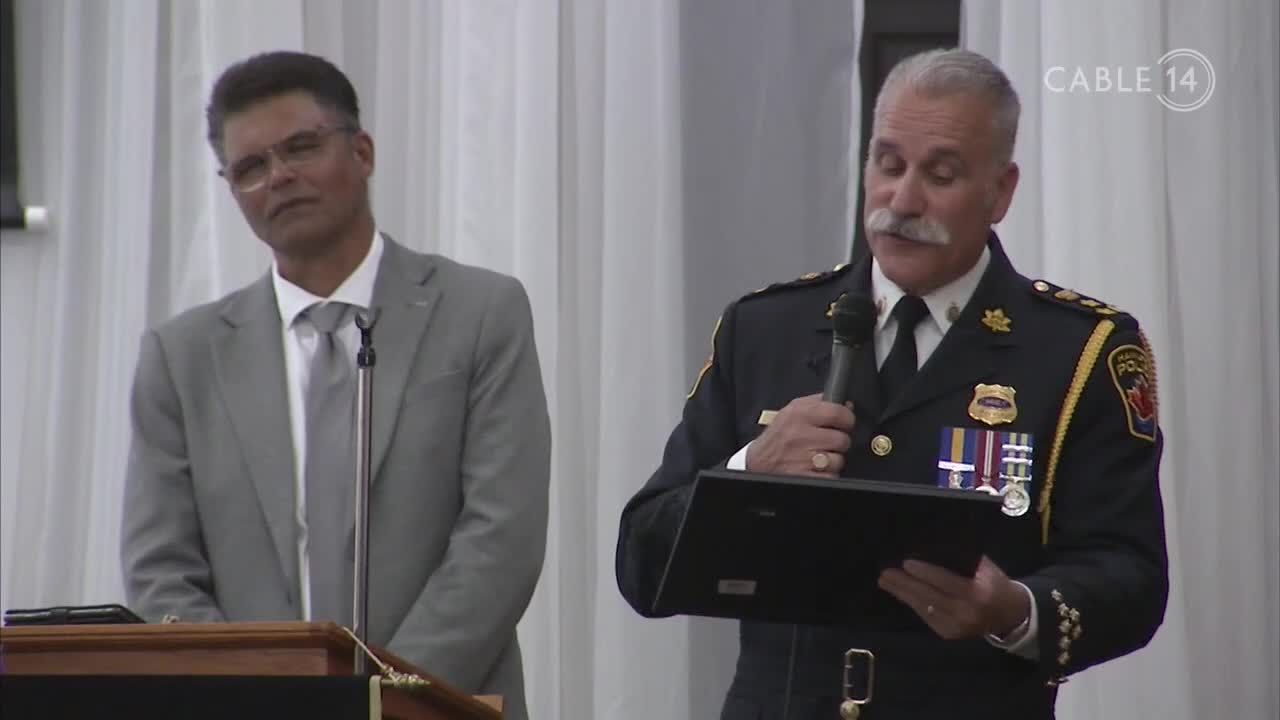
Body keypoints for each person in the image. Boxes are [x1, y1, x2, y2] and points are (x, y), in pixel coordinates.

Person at [616, 48, 1168, 719]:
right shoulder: (766, 329)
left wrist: (1012, 610)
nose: (902, 201)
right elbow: (642, 565)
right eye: (888, 164)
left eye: (941, 174)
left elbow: (1130, 578)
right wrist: (749, 467)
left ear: (1001, 191)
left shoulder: (1079, 351)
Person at [121, 51, 550, 720]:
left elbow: (501, 539)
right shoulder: (182, 358)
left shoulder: (479, 313)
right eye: (250, 168)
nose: (279, 178)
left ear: (363, 151)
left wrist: (383, 699)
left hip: (439, 704)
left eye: (301, 147)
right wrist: (261, 697)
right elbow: (160, 571)